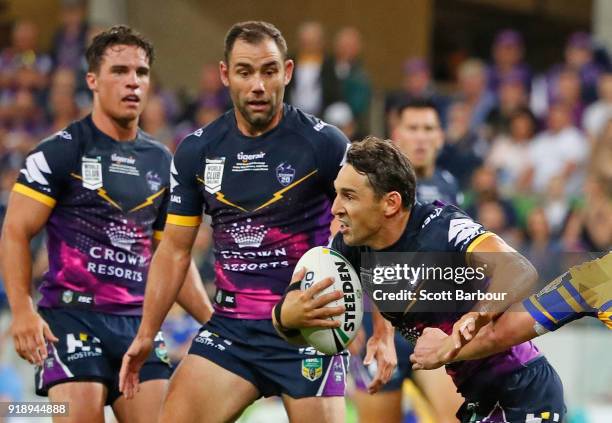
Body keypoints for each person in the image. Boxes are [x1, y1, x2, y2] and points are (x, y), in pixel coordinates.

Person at [119, 21, 395, 423]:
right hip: (233, 332)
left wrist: (382, 332)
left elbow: (372, 234)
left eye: (268, 71)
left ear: (287, 72)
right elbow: (175, 251)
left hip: (310, 331)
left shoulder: (325, 144)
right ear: (225, 75)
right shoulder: (196, 151)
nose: (258, 85)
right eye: (245, 72)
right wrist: (146, 335)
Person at [0, 25, 212, 423]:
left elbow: (173, 255)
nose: (133, 82)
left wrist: (217, 324)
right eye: (120, 71)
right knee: (80, 415)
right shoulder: (60, 151)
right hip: (70, 316)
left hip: (137, 322)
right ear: (93, 81)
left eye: (141, 73)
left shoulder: (163, 162)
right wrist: (23, 310)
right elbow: (15, 232)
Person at [276, 137, 566, 422]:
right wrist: (287, 317)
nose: (335, 207)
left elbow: (519, 270)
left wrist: (474, 318)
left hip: (523, 391)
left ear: (390, 203)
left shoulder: (442, 228)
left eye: (349, 196)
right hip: (480, 399)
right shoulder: (350, 246)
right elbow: (291, 313)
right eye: (337, 193)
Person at [344, 98, 463, 423]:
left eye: (429, 129)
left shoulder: (450, 186)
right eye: (413, 128)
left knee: (457, 417)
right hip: (377, 329)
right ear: (397, 134)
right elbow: (348, 252)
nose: (421, 137)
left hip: (434, 329)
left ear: (440, 136)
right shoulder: (368, 185)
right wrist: (349, 321)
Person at [410, 252, 611, 370]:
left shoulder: (597, 277)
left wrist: (442, 349)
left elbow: (499, 334)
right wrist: (443, 349)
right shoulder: (594, 279)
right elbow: (500, 333)